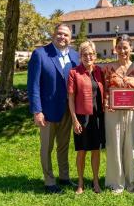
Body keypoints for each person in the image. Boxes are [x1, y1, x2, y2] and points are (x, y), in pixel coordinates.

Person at [27, 23, 79, 194]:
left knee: (64, 145)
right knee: (47, 147)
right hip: (47, 111)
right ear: (53, 34)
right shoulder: (40, 54)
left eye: (66, 35)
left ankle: (64, 177)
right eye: (59, 34)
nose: (62, 37)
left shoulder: (75, 56)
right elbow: (33, 85)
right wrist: (37, 110)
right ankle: (49, 181)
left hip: (68, 110)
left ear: (70, 38)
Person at [103, 34, 134, 194]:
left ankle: (131, 181)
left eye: (125, 47)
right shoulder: (107, 69)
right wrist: (108, 101)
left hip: (132, 113)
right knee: (114, 145)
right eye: (119, 47)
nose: (122, 50)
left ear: (131, 48)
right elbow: (105, 90)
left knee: (130, 146)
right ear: (115, 49)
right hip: (112, 112)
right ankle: (116, 182)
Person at [68, 40, 105, 194]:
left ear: (95, 55)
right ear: (80, 56)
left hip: (98, 117)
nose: (88, 57)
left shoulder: (99, 71)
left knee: (96, 150)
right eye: (85, 54)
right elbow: (70, 99)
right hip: (82, 117)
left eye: (91, 54)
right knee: (82, 151)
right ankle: (81, 183)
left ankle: (96, 181)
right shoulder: (74, 73)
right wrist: (74, 119)